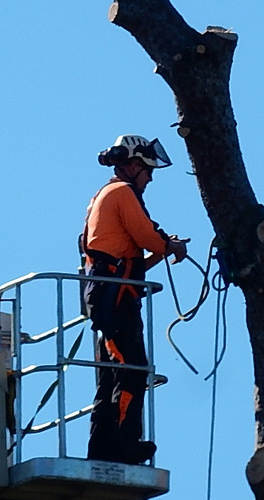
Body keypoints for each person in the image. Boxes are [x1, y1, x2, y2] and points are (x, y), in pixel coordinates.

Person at [80, 134, 188, 465]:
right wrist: (168, 246)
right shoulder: (122, 193)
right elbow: (145, 237)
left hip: (111, 292)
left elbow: (135, 258)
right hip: (114, 297)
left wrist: (164, 248)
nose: (151, 177)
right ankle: (124, 444)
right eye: (148, 170)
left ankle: (102, 448)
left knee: (114, 375)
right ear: (133, 166)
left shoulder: (108, 195)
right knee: (132, 370)